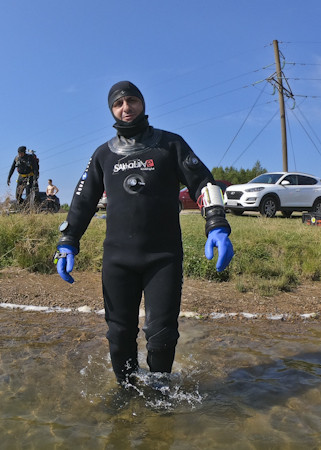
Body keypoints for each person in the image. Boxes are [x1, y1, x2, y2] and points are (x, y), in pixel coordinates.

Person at [53, 81, 234, 385]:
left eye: (132, 101)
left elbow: (203, 183)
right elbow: (82, 201)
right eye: (118, 103)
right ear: (112, 109)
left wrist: (216, 224)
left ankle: (161, 392)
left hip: (162, 257)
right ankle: (126, 392)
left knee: (161, 332)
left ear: (143, 103)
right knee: (119, 332)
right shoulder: (103, 155)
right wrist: (68, 241)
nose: (126, 108)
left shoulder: (170, 145)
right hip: (117, 260)